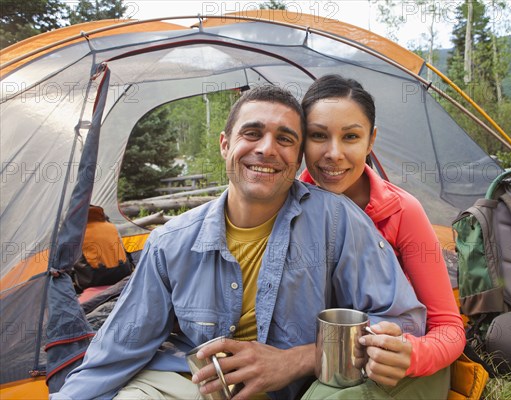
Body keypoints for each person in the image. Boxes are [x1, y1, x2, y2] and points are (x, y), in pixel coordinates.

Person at [52, 85, 430, 400]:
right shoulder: (171, 242)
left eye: (285, 139)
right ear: (224, 144)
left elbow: (403, 320)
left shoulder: (337, 220)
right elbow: (117, 351)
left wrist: (299, 359)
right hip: (195, 384)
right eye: (252, 133)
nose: (267, 148)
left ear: (297, 159)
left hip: (304, 388)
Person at [299, 75, 466, 386]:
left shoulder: (402, 212)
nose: (334, 153)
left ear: (371, 140)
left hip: (393, 371)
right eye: (318, 135)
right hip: (317, 363)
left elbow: (449, 327)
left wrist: (412, 354)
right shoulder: (289, 208)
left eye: (350, 137)